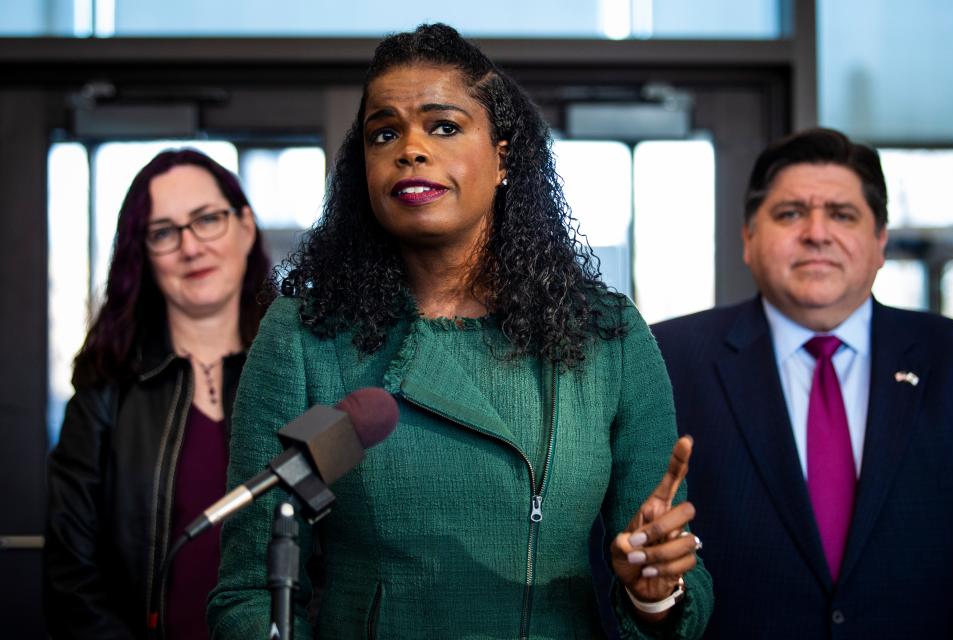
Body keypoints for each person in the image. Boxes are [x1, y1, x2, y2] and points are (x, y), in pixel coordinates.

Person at [208, 23, 712, 640]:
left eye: (443, 126)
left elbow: (674, 582)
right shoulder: (307, 333)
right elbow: (250, 592)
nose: (410, 149)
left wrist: (654, 592)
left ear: (503, 156)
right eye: (384, 133)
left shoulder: (606, 336)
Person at [651, 128, 953, 638]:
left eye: (842, 215)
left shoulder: (949, 359)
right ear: (748, 239)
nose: (817, 233)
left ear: (880, 242)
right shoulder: (667, 360)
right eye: (790, 213)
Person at [43, 148, 273, 639]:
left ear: (246, 226)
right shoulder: (106, 384)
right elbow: (71, 571)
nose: (191, 247)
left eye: (207, 219)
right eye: (164, 232)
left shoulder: (298, 372)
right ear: (143, 253)